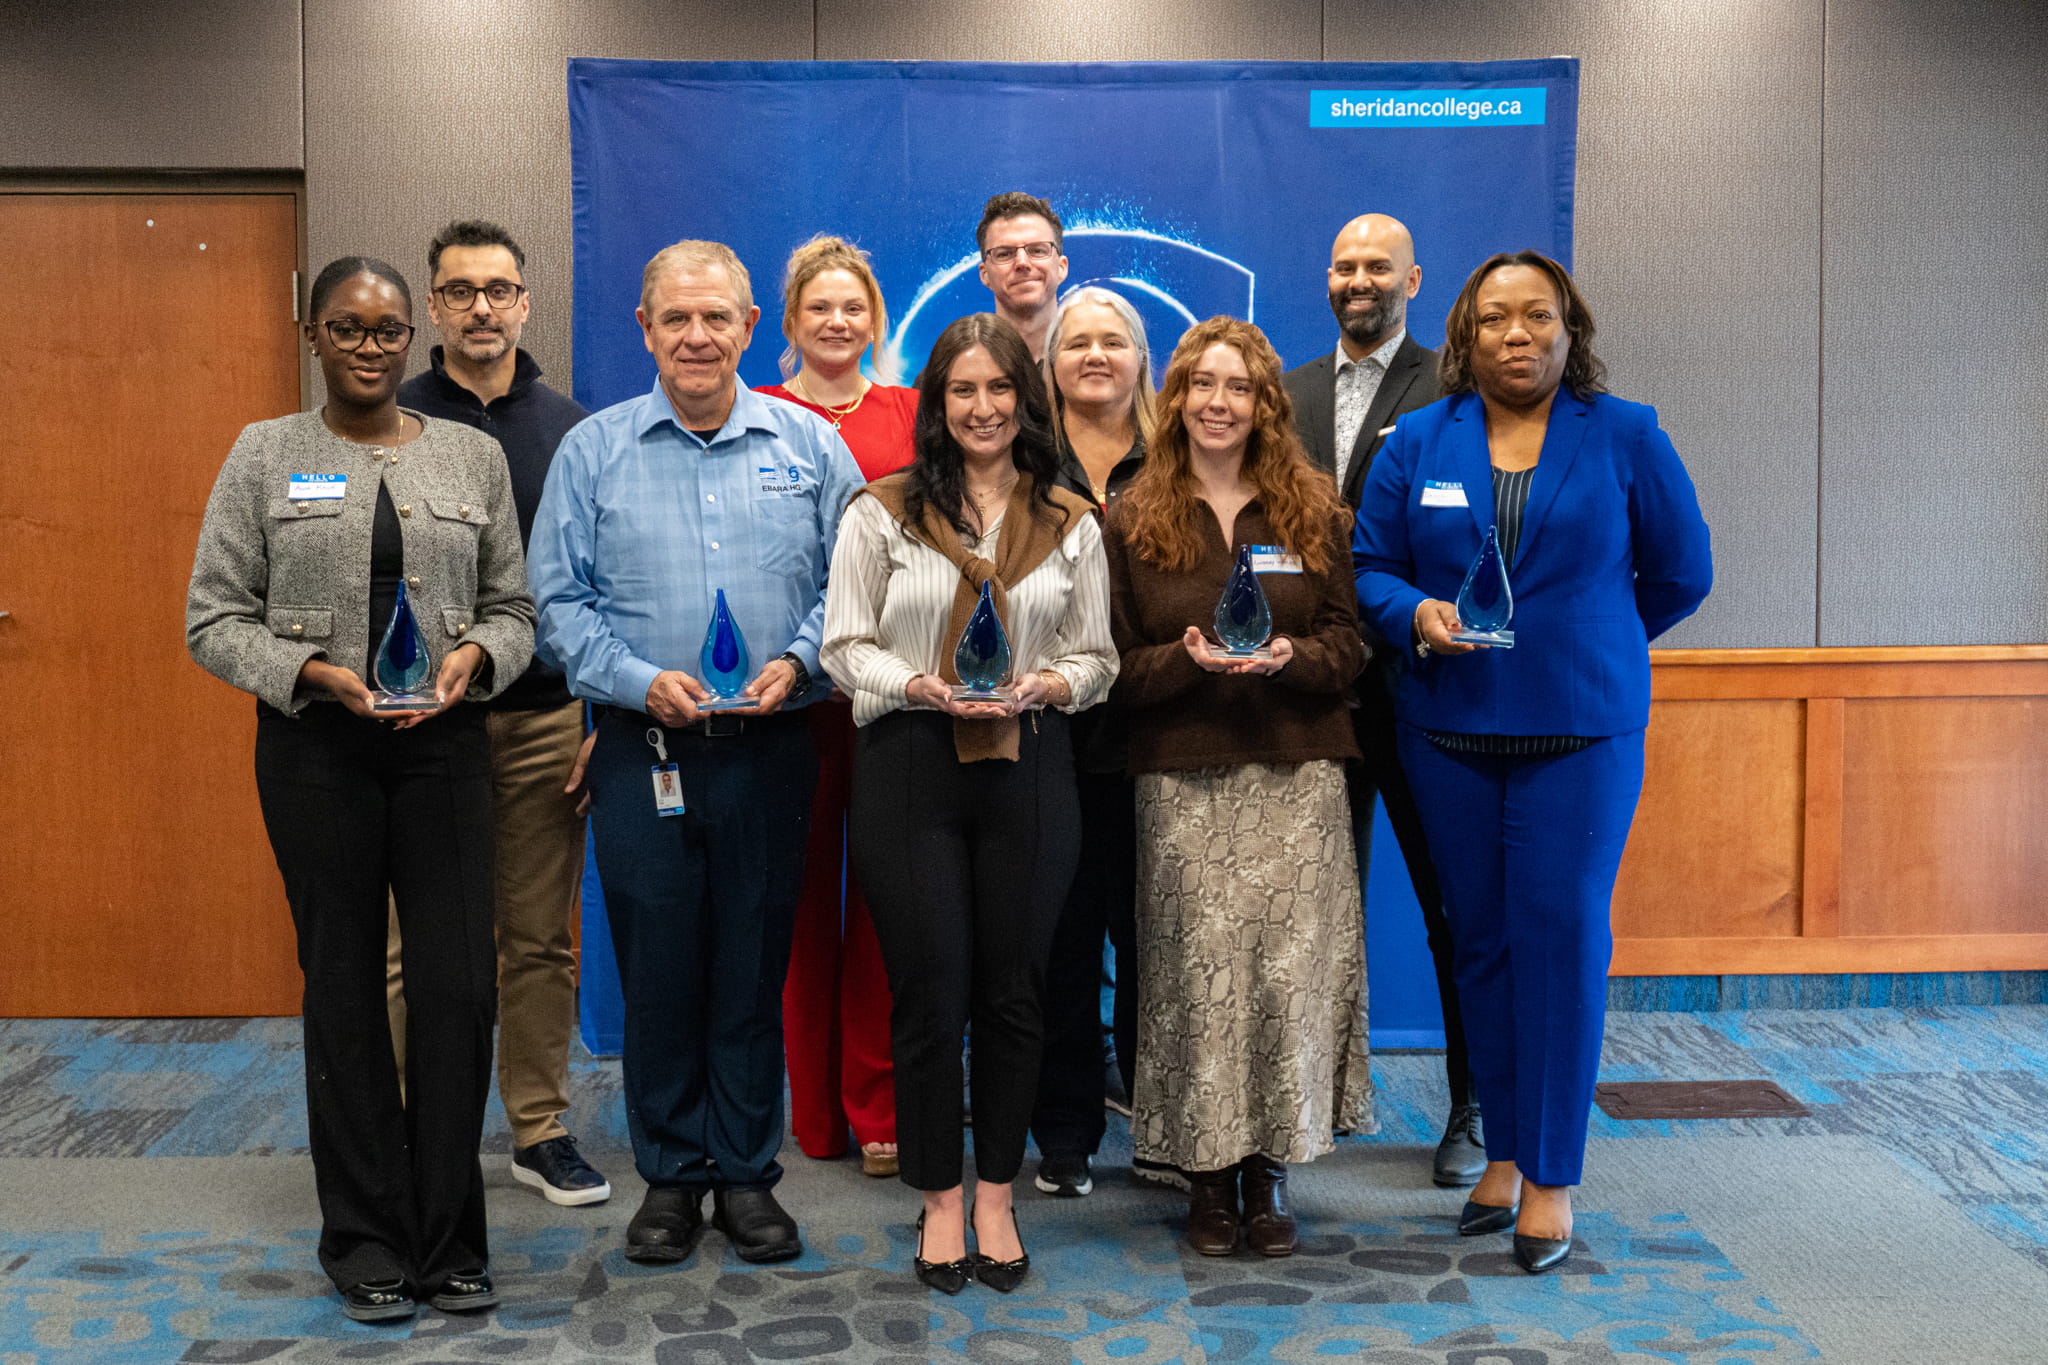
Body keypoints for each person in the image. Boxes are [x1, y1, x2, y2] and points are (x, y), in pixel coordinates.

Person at [186, 256, 534, 1322]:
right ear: (314, 335)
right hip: (316, 754)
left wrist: (475, 659)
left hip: (445, 751)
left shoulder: (472, 456)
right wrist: (311, 675)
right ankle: (365, 1239)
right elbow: (213, 619)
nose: (369, 347)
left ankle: (449, 1238)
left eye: (386, 330)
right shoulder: (264, 453)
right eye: (347, 328)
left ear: (409, 338)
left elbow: (515, 612)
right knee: (341, 987)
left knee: (456, 992)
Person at [1353, 250, 1711, 1274]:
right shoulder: (1418, 440)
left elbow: (1682, 571)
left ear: (1569, 329)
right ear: (1464, 335)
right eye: (1494, 319)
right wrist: (1414, 614)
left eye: (1537, 317)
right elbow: (1369, 566)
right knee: (1480, 942)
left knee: (1560, 938)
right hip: (1448, 729)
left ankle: (1551, 1175)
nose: (1516, 335)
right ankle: (1503, 1151)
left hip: (1580, 732)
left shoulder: (1627, 433)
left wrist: (1589, 642)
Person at [526, 240, 865, 1268]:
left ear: (750, 328)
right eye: (675, 318)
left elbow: (857, 583)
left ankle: (747, 1174)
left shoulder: (812, 447)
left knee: (752, 966)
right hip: (645, 753)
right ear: (645, 330)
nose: (697, 336)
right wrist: (636, 682)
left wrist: (801, 660)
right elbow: (558, 603)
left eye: (716, 317)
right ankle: (672, 1175)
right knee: (661, 967)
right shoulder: (593, 452)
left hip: (771, 746)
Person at [820, 313, 1116, 1293]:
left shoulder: (1070, 519)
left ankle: (996, 1191)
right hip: (909, 763)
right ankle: (939, 1197)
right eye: (962, 389)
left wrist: (1047, 684)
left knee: (1013, 991)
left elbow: (1097, 657)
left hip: (1029, 765)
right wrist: (917, 684)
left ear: (1023, 401)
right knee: (930, 989)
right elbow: (843, 646)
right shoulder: (881, 511)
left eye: (999, 389)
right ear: (936, 403)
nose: (982, 407)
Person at [1105, 316, 1370, 1260]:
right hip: (1184, 778)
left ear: (1266, 404)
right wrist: (1186, 661)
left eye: (1239, 387)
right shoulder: (1130, 516)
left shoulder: (1314, 509)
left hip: (1299, 776)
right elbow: (1111, 667)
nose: (1218, 403)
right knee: (1197, 978)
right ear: (1176, 397)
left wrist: (1293, 656)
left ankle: (1269, 1169)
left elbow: (1350, 644)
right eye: (1202, 385)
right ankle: (1208, 1173)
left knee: (1285, 979)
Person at [383, 218, 609, 1208]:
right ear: (433, 306)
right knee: (415, 944)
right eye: (461, 291)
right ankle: (409, 1130)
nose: (482, 308)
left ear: (525, 303)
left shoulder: (572, 430)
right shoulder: (385, 418)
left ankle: (538, 1129)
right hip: (417, 725)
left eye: (499, 290)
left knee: (539, 938)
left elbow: (602, 582)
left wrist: (602, 716)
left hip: (544, 718)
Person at [1281, 213, 1483, 1189]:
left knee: (1452, 908)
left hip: (1417, 686)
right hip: (1305, 694)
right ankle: (1298, 1109)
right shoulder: (1285, 392)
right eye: (1343, 265)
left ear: (1413, 278)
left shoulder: (1454, 390)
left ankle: (1474, 1106)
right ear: (1326, 278)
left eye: (1377, 266)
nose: (1358, 280)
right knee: (1304, 911)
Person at [756, 235, 917, 1178]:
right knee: (802, 904)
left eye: (852, 306)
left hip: (893, 692)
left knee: (885, 904)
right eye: (818, 306)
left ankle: (877, 1103)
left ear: (875, 319)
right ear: (789, 320)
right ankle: (814, 1111)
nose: (836, 321)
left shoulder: (913, 412)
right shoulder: (755, 411)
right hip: (792, 696)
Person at [1030, 286, 1155, 1198]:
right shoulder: (1024, 457)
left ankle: (1162, 1121)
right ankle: (1066, 1130)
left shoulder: (1179, 454)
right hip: (1055, 731)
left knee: (1154, 939)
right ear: (1052, 360)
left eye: (1114, 340)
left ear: (1142, 358)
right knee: (1061, 936)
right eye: (1078, 342)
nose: (1096, 355)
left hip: (1156, 730)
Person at [975, 191, 1069, 360]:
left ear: (1061, 267)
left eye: (1037, 250)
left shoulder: (1096, 367)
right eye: (1004, 254)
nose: (1022, 262)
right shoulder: (953, 372)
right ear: (985, 274)